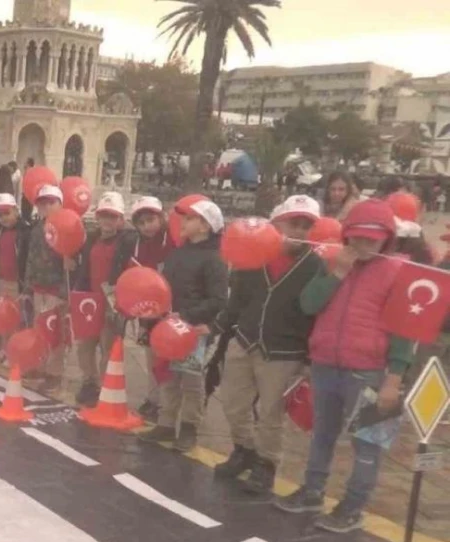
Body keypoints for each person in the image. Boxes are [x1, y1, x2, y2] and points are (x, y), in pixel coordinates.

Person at [275, 199, 414, 533]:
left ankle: (353, 506)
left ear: (386, 238)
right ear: (346, 235)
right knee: (322, 435)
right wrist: (337, 273)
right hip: (326, 366)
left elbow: (404, 332)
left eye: (372, 238)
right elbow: (309, 304)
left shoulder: (398, 272)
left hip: (369, 371)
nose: (364, 245)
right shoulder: (332, 263)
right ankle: (312, 491)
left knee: (367, 443)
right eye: (357, 237)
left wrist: (394, 378)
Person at [211, 195, 324, 495]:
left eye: (305, 225)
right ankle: (243, 449)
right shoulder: (255, 254)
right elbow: (237, 300)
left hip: (284, 351)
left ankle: (266, 464)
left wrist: (310, 359)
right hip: (245, 339)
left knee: (271, 413)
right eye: (293, 223)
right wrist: (216, 327)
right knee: (233, 402)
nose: (299, 230)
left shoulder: (315, 266)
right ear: (277, 223)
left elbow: (318, 314)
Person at [138, 198, 228, 452]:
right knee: (168, 377)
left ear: (205, 226)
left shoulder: (214, 259)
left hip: (194, 330)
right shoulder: (179, 253)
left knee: (191, 382)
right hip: (168, 327)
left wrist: (186, 316)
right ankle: (166, 423)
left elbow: (218, 299)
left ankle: (189, 428)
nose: (183, 222)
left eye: (190, 219)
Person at [111, 196, 176, 421]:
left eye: (152, 219)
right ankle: (154, 399)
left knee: (169, 360)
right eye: (142, 222)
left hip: (172, 311)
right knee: (151, 357)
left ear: (161, 218)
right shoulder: (135, 244)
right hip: (147, 312)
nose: (148, 226)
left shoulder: (173, 241)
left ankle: (169, 405)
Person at [71, 192, 129, 406]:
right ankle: (89, 382)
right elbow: (82, 266)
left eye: (113, 217)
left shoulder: (127, 242)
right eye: (104, 215)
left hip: (113, 304)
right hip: (89, 301)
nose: (108, 221)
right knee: (84, 345)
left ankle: (106, 386)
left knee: (108, 347)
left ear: (121, 220)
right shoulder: (91, 239)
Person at [23, 185, 72, 392]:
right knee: (40, 330)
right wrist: (27, 286)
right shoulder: (36, 229)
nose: (47, 207)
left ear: (61, 204)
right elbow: (31, 259)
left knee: (56, 333)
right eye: (43, 203)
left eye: (52, 202)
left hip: (57, 288)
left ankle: (55, 373)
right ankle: (39, 366)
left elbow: (74, 259)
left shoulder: (68, 227)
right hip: (38, 287)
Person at [0, 193, 29, 302]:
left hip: (18, 282)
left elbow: (28, 259)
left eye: (6, 213)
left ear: (16, 211)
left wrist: (26, 285)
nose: (3, 218)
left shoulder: (25, 231)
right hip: (3, 281)